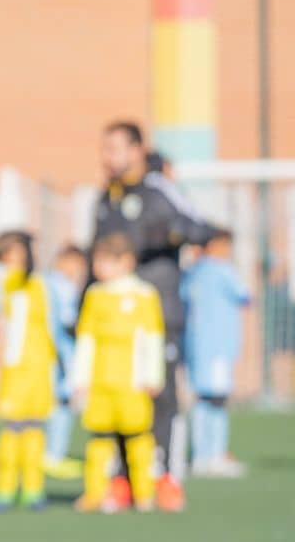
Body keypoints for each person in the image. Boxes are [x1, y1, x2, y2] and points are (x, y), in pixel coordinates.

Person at [92, 121, 214, 511]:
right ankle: (123, 478)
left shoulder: (160, 190)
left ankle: (166, 477)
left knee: (161, 397)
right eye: (104, 149)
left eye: (115, 148)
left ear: (136, 150)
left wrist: (164, 234)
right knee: (114, 400)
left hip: (157, 316)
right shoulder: (104, 199)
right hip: (112, 325)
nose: (107, 157)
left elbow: (199, 228)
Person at [71, 233, 164, 512]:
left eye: (104, 261)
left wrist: (153, 374)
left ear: (126, 261)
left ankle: (144, 493)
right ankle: (94, 493)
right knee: (99, 439)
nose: (98, 268)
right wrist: (81, 378)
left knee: (138, 438)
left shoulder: (144, 294)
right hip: (101, 380)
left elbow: (152, 337)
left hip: (132, 381)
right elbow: (86, 339)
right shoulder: (94, 295)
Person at [0, 230, 56, 511]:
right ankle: (4, 488)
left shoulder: (38, 283)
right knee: (13, 428)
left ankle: (33, 487)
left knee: (34, 428)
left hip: (38, 363)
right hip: (17, 367)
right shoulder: (12, 282)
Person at [182, 229, 251, 477]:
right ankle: (215, 455)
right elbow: (245, 295)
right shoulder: (223, 270)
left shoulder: (192, 272)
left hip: (195, 345)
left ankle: (200, 455)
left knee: (201, 398)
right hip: (218, 345)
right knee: (217, 400)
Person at [41, 246, 87, 480]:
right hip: (60, 353)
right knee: (61, 402)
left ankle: (46, 454)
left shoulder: (42, 283)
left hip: (48, 353)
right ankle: (52, 455)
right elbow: (68, 322)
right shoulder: (60, 286)